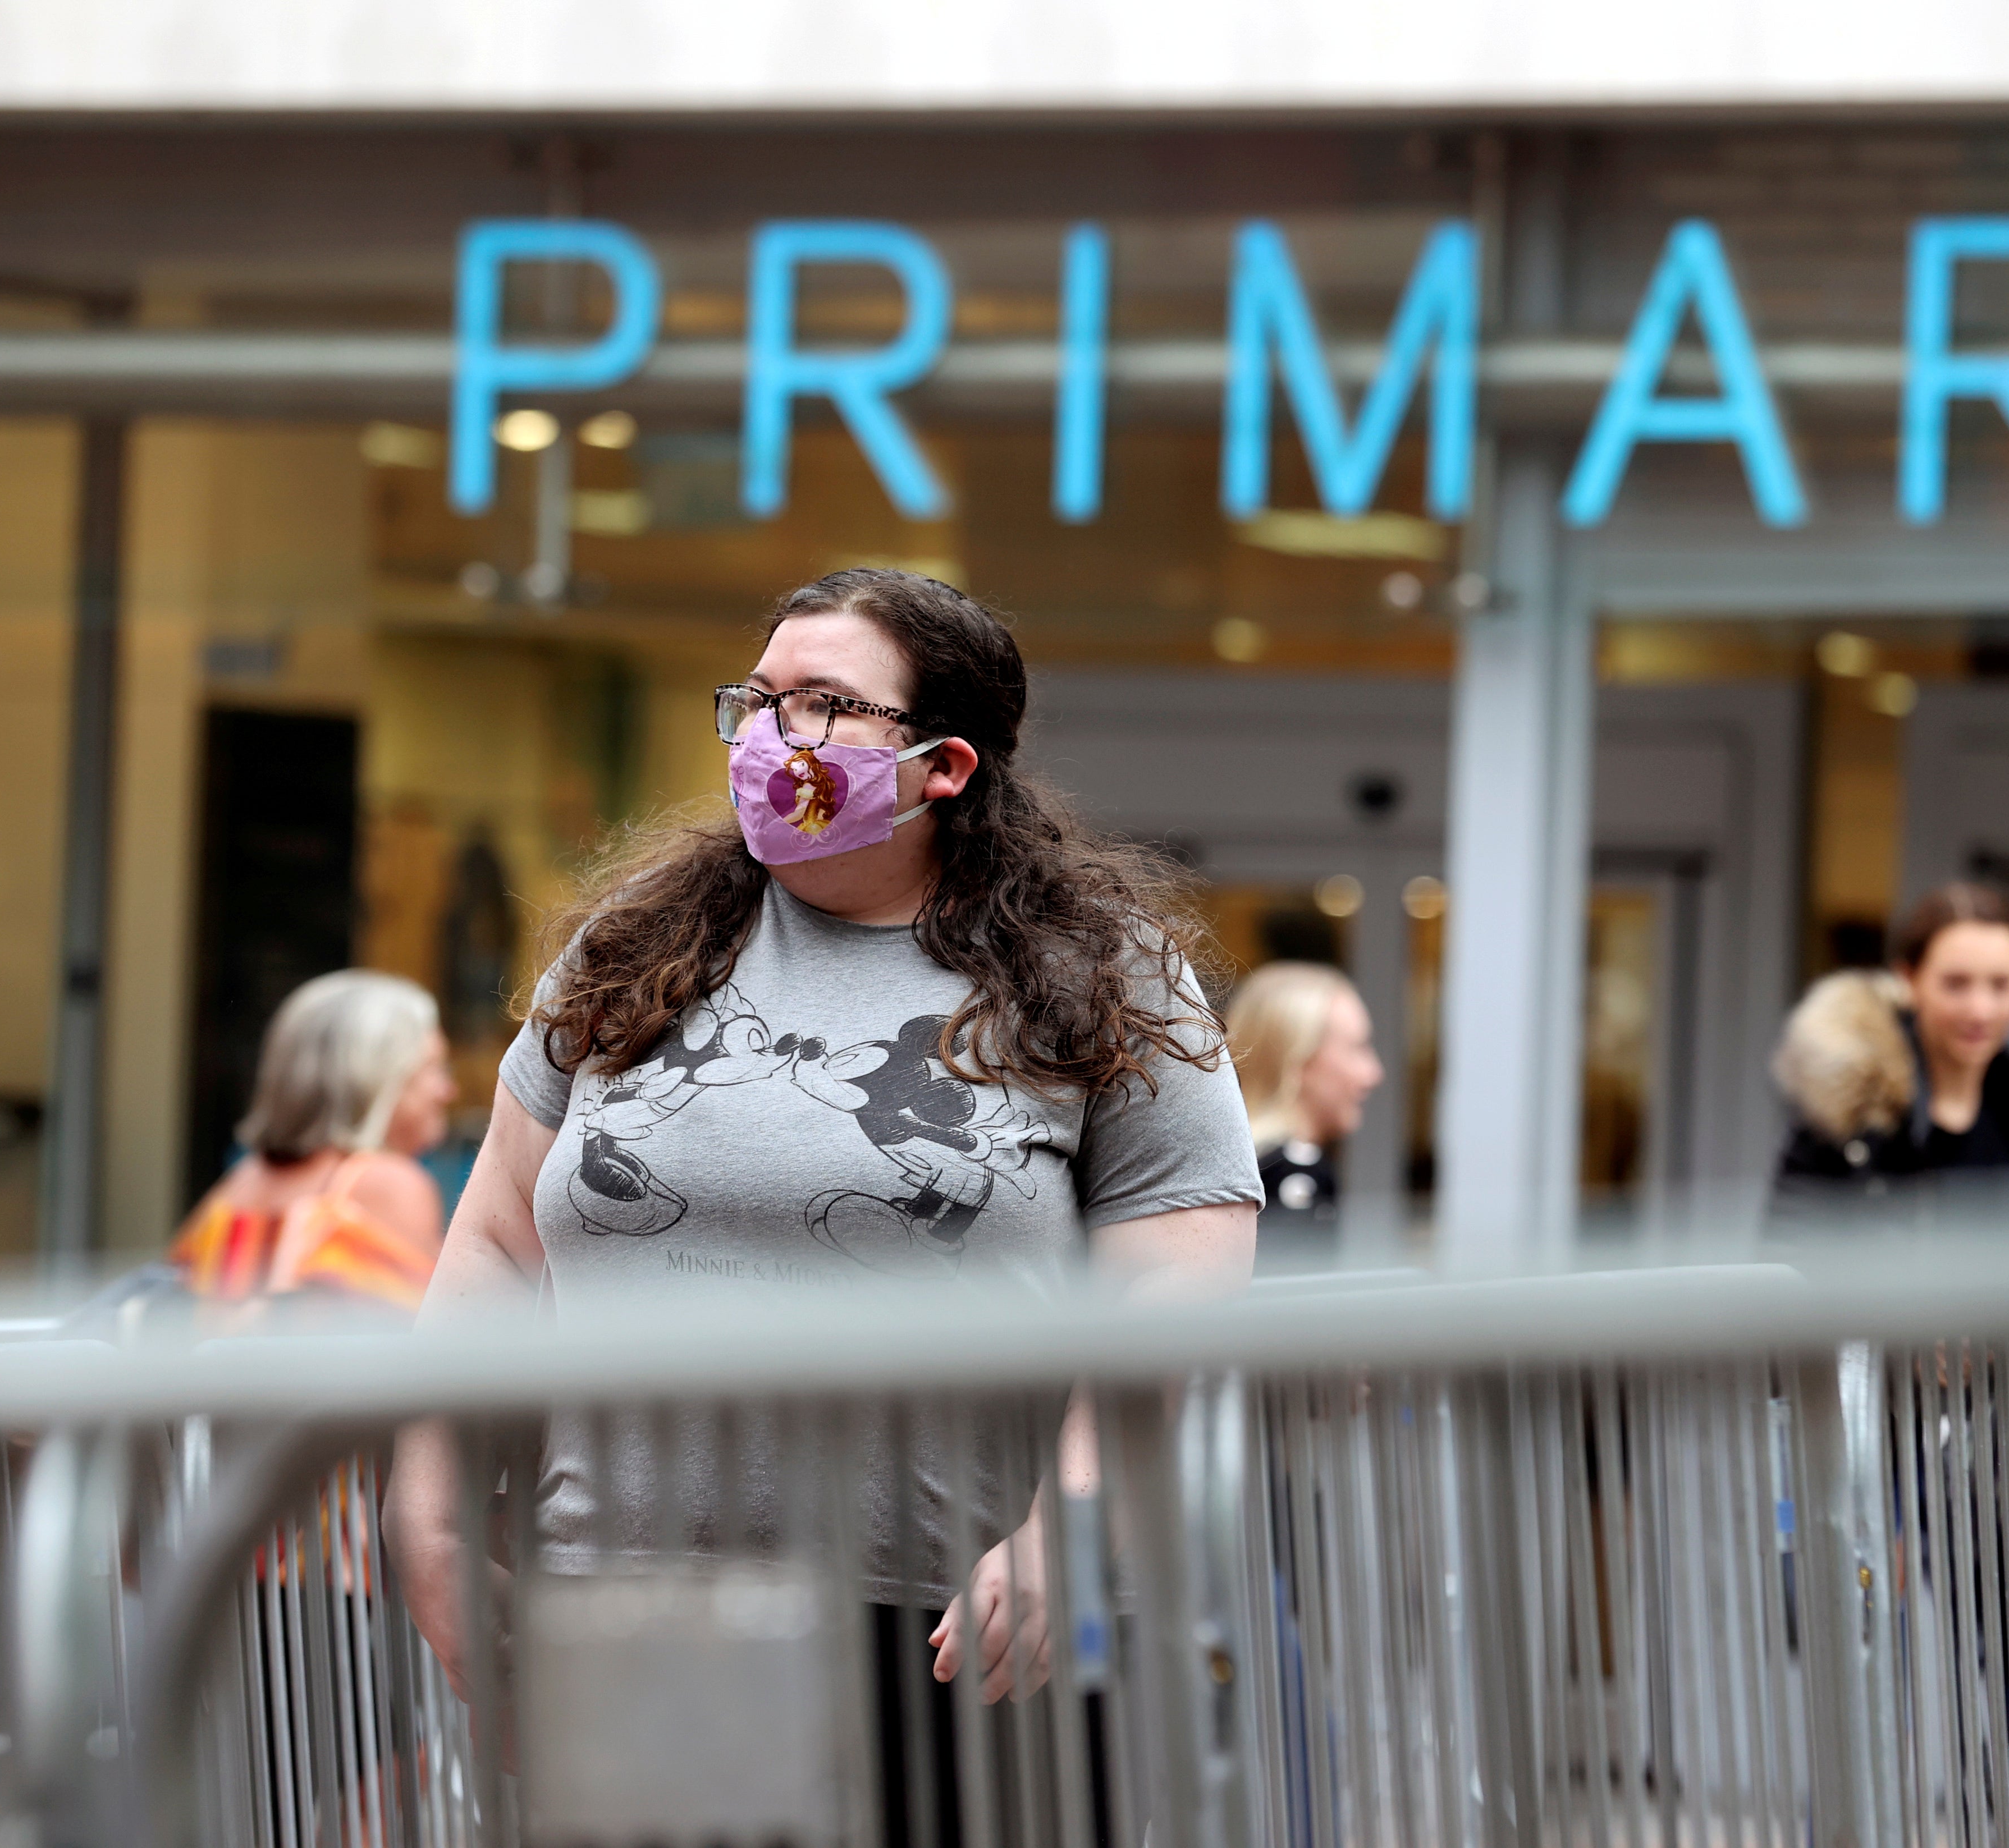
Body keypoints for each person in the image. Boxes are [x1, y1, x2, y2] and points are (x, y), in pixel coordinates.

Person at [379, 570, 1261, 1814]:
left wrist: (1073, 1521)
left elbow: (1174, 1292)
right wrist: (427, 1512)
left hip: (956, 1631)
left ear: (943, 763)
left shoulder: (1104, 976)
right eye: (756, 699)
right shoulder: (635, 945)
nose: (767, 736)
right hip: (624, 1609)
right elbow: (496, 1243)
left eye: (823, 706)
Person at [1770, 882, 2009, 1221]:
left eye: (2002, 985)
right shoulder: (1848, 1115)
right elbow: (1793, 1260)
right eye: (1956, 984)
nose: (1980, 1011)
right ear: (1909, 979)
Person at [157, 969, 455, 1328]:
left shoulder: (242, 1180)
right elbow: (429, 1342)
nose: (447, 1091)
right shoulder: (389, 1183)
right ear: (376, 1080)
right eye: (434, 1069)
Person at [1223, 961, 1384, 1250]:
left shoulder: (1232, 1167)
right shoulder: (1296, 1174)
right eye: (1357, 1048)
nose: (1373, 1074)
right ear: (1298, 1060)